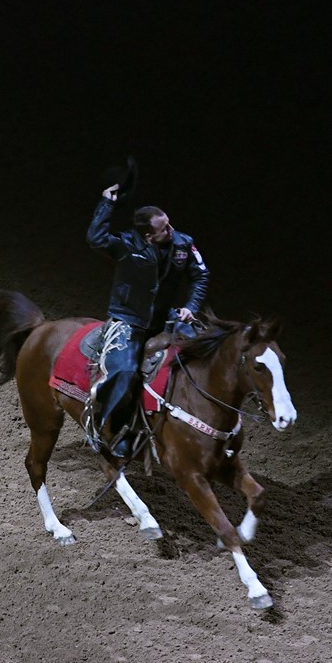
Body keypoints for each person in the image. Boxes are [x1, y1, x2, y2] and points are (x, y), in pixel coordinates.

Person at [86, 180, 210, 458]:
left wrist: (191, 306)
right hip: (129, 320)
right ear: (149, 236)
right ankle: (108, 429)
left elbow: (200, 275)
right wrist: (107, 203)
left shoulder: (183, 244)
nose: (172, 229)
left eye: (169, 223)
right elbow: (96, 238)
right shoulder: (127, 245)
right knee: (125, 372)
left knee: (204, 356)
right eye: (164, 227)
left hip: (165, 318)